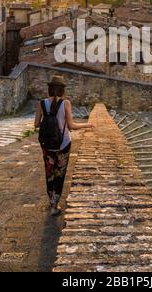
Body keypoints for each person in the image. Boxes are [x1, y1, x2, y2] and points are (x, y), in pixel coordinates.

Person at [34, 75, 94, 216]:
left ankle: (51, 202)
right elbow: (71, 126)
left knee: (49, 173)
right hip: (63, 144)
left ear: (49, 88)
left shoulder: (41, 103)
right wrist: (87, 124)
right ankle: (55, 204)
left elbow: (36, 125)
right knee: (59, 174)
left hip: (47, 145)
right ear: (62, 90)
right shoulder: (66, 103)